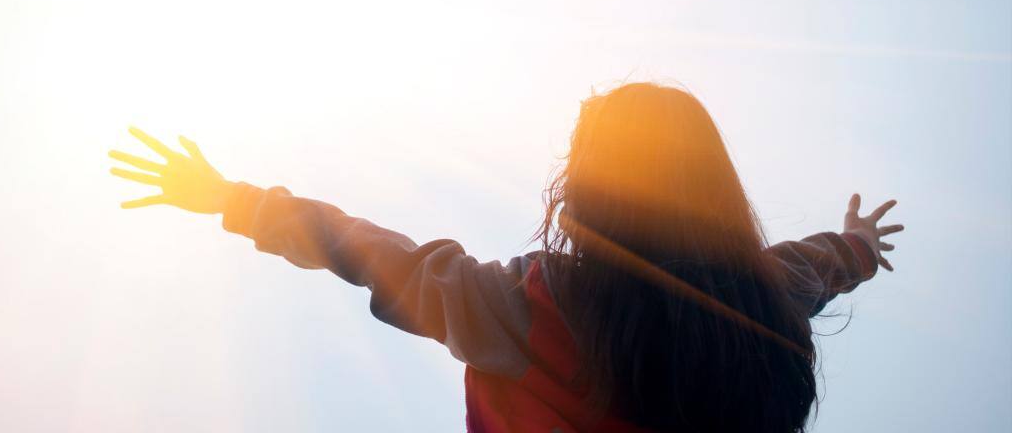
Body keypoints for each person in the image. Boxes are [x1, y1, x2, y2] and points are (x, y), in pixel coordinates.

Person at [108, 81, 903, 433]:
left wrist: (233, 200)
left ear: (588, 190)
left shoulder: (536, 304)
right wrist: (861, 245)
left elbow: (376, 255)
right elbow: (820, 263)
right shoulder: (761, 297)